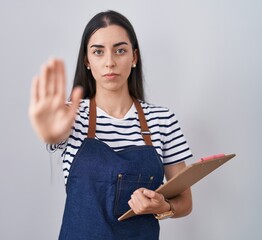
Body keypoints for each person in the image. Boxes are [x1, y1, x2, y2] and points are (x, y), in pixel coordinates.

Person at [29, 10, 193, 240]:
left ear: (134, 57)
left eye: (120, 50)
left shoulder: (163, 120)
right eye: (98, 52)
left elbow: (185, 201)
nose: (110, 62)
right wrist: (49, 134)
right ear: (87, 60)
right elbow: (54, 134)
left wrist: (163, 207)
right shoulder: (70, 115)